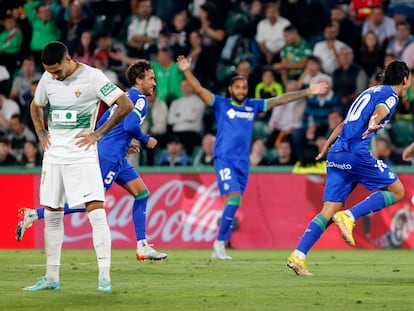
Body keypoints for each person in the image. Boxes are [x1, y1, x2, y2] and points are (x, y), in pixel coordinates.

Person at [176, 55, 328, 260]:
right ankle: (219, 245)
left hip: (242, 163)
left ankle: (220, 244)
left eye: (244, 88)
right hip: (224, 159)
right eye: (237, 87)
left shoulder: (252, 105)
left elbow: (280, 100)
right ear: (230, 90)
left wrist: (307, 91)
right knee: (234, 198)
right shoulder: (221, 104)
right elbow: (200, 89)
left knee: (233, 203)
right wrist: (186, 70)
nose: (241, 91)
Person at [16, 60, 168, 264]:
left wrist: (122, 142)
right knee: (91, 202)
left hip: (116, 154)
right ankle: (34, 215)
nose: (154, 83)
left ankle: (142, 245)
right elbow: (131, 125)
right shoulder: (139, 99)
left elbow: (104, 121)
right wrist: (145, 139)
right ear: (139, 80)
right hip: (110, 157)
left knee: (142, 193)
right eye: (151, 78)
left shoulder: (123, 97)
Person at [24, 41, 134, 293]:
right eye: (49, 71)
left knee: (95, 212)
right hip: (53, 158)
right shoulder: (48, 78)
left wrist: (98, 134)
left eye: (57, 70)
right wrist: (41, 132)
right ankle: (52, 277)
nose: (54, 75)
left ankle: (104, 277)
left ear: (69, 59)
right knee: (51, 214)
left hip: (82, 156)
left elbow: (125, 104)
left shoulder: (93, 77)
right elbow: (35, 105)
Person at [287, 60, 411, 276]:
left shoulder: (369, 92)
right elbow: (380, 112)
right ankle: (350, 216)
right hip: (356, 153)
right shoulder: (390, 95)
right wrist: (375, 121)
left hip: (336, 154)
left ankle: (298, 255)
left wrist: (326, 145)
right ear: (404, 79)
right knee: (398, 191)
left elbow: (345, 123)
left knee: (328, 211)